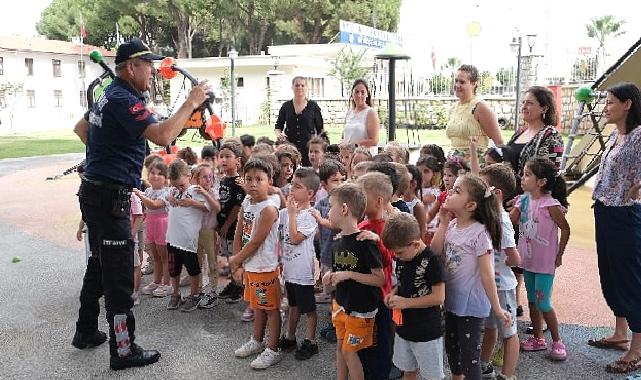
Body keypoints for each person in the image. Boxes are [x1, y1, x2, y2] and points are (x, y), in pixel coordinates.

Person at [72, 37, 209, 370]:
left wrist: (107, 153)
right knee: (118, 275)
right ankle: (123, 349)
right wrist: (191, 102)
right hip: (110, 196)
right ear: (130, 68)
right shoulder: (123, 98)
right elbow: (163, 136)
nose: (152, 71)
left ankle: (86, 329)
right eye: (147, 65)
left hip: (94, 191)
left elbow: (81, 128)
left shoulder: (109, 95)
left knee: (99, 263)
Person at [430, 174, 511, 380]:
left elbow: (487, 274)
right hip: (451, 301)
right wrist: (443, 223)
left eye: (457, 191)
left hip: (471, 306)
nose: (449, 193)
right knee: (452, 348)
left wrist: (498, 308)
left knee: (470, 356)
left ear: (471, 205)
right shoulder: (452, 226)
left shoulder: (479, 233)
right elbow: (435, 250)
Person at [589, 82, 641, 374]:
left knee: (630, 277)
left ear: (627, 104)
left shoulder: (639, 135)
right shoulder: (615, 134)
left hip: (625, 214)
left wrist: (638, 189)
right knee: (610, 273)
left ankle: (637, 348)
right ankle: (621, 332)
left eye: (610, 102)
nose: (605, 108)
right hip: (605, 210)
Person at [322, 183, 385, 380]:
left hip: (360, 310)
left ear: (344, 209)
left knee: (350, 352)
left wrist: (349, 275)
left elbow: (379, 279)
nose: (328, 211)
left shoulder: (364, 241)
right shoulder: (337, 240)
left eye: (330, 206)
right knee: (341, 347)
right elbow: (340, 271)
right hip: (341, 305)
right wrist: (330, 275)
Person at [510, 157, 570, 361]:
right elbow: (510, 221)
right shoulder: (523, 200)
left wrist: (559, 254)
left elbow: (565, 229)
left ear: (541, 182)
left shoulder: (550, 205)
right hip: (527, 261)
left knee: (543, 303)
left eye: (527, 175)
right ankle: (538, 338)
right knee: (532, 302)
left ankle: (557, 341)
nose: (522, 178)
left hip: (544, 264)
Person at [231, 159, 282, 369]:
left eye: (259, 179)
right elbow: (239, 231)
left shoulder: (268, 209)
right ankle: (257, 340)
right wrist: (236, 260)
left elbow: (256, 241)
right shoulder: (246, 202)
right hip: (250, 266)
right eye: (249, 179)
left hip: (263, 268)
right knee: (257, 306)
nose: (253, 183)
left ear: (269, 181)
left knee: (270, 309)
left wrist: (237, 259)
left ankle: (273, 349)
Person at [382, 213, 446, 380]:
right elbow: (404, 284)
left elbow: (439, 297)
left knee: (432, 376)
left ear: (415, 244)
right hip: (404, 328)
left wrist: (406, 302)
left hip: (426, 332)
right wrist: (393, 294)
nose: (397, 256)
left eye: (399, 252)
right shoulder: (405, 256)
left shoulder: (432, 261)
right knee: (407, 370)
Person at [477, 164, 521, 380]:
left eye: (482, 187)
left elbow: (514, 258)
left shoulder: (502, 221)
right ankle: (484, 365)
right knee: (490, 327)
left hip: (502, 286)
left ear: (496, 193)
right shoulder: (488, 216)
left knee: (509, 332)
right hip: (490, 285)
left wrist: (504, 261)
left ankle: (508, 374)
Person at [277, 168, 321, 360]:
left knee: (309, 309)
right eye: (291, 185)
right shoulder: (285, 212)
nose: (291, 190)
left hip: (303, 271)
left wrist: (292, 214)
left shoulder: (310, 215)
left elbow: (295, 238)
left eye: (297, 187)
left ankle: (311, 341)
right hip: (289, 269)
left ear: (310, 193)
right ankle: (290, 336)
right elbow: (280, 237)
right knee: (293, 305)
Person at [164, 159, 211, 312]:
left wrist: (193, 203)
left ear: (189, 176)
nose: (178, 187)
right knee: (173, 269)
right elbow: (166, 195)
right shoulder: (172, 190)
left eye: (181, 185)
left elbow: (209, 207)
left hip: (188, 240)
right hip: (172, 238)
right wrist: (169, 197)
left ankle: (194, 294)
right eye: (174, 184)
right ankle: (176, 293)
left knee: (193, 269)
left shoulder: (196, 190)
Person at [505, 86, 564, 184]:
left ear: (544, 109)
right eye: (523, 102)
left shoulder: (551, 136)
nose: (524, 107)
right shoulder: (519, 133)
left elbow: (549, 174)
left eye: (530, 103)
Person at [445, 64, 504, 160]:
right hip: (454, 167)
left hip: (475, 166)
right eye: (456, 81)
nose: (457, 85)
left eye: (462, 82)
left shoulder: (481, 107)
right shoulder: (453, 108)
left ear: (474, 84)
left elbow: (499, 143)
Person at [134, 161, 171, 298]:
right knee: (155, 256)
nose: (155, 176)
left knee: (164, 256)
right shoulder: (149, 191)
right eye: (152, 173)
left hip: (162, 225)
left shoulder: (166, 192)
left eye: (159, 174)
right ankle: (156, 281)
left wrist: (140, 195)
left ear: (166, 178)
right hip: (150, 224)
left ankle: (167, 284)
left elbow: (155, 205)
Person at [216, 141, 246, 302]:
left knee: (234, 256)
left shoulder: (238, 182)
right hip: (222, 227)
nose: (224, 160)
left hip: (233, 227)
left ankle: (239, 285)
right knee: (227, 256)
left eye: (228, 156)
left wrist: (227, 225)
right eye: (221, 156)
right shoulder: (222, 180)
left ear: (237, 161)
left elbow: (237, 207)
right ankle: (232, 283)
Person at [275, 77, 324, 167]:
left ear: (307, 88)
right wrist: (279, 134)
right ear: (292, 87)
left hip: (308, 150)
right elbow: (278, 127)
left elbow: (320, 130)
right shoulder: (286, 106)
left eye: (302, 85)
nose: (299, 87)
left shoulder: (313, 106)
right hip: (290, 150)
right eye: (297, 85)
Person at [192, 163, 222, 309]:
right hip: (195, 231)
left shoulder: (214, 192)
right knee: (196, 261)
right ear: (197, 179)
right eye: (204, 177)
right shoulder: (193, 192)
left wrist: (205, 194)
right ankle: (198, 290)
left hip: (209, 231)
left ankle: (213, 291)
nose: (208, 179)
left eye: (210, 176)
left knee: (212, 261)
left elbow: (216, 207)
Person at [342, 79, 380, 157]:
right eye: (356, 92)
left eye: (362, 92)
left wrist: (353, 145)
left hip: (365, 157)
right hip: (349, 158)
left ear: (367, 94)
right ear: (352, 93)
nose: (359, 95)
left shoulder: (370, 113)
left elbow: (374, 141)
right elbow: (345, 137)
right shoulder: (349, 113)